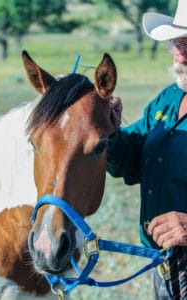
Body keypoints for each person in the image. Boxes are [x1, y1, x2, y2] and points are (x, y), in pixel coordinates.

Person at [108, 0, 187, 299]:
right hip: (164, 264)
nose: (179, 55)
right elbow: (131, 160)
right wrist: (112, 133)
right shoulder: (167, 99)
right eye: (176, 43)